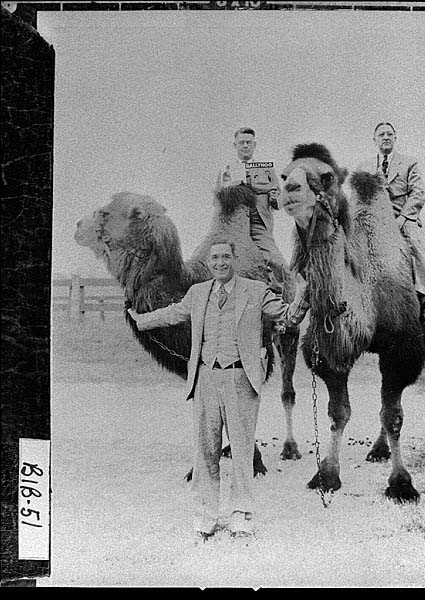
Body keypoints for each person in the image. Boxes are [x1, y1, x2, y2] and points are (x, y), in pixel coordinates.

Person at [127, 240, 309, 542]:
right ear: (208, 263)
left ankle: (241, 516)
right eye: (215, 258)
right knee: (206, 451)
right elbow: (173, 313)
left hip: (242, 380)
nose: (220, 262)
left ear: (234, 259)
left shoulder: (255, 290)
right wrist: (140, 320)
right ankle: (206, 516)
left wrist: (305, 297)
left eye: (226, 256)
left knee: (241, 451)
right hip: (205, 380)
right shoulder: (197, 293)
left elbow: (286, 316)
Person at [356, 122, 425, 321]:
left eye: (389, 134)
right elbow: (356, 196)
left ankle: (424, 297)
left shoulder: (409, 163)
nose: (386, 137)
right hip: (373, 220)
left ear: (395, 138)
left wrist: (403, 218)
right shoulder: (364, 167)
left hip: (402, 217)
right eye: (381, 134)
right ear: (374, 140)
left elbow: (418, 194)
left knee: (415, 247)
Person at [215, 127, 287, 288]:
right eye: (242, 142)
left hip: (258, 223)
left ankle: (283, 303)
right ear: (235, 145)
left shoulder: (266, 168)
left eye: (249, 142)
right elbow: (217, 200)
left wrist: (275, 199)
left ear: (254, 145)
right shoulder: (227, 169)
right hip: (234, 224)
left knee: (277, 263)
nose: (245, 146)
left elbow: (279, 198)